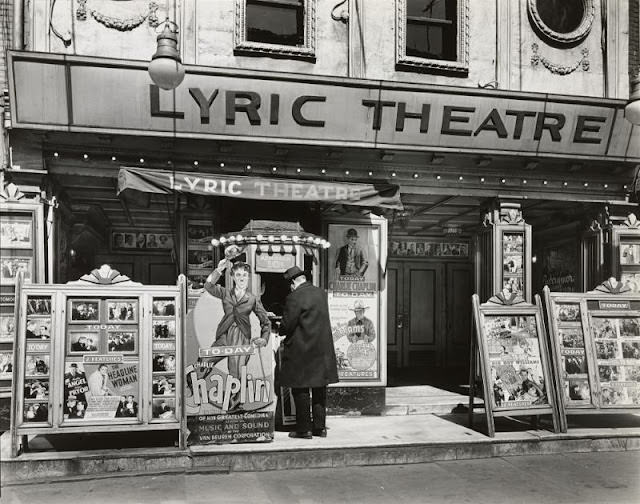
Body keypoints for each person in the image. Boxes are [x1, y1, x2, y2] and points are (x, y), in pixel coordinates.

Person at [198, 258, 270, 411]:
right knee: (205, 360)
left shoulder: (253, 299)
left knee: (236, 372)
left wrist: (264, 339)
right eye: (238, 275)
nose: (242, 278)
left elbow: (266, 321)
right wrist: (218, 270)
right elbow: (208, 286)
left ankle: (234, 407)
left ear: (248, 277)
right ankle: (193, 389)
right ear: (233, 277)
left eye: (244, 275)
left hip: (241, 338)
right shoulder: (225, 293)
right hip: (224, 335)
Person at [279, 266, 338, 439]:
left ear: (293, 282)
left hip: (302, 350)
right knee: (319, 389)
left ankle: (304, 429)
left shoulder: (294, 297)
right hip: (321, 350)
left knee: (300, 389)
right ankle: (320, 428)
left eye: (290, 284)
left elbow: (287, 325)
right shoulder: (321, 294)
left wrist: (280, 328)